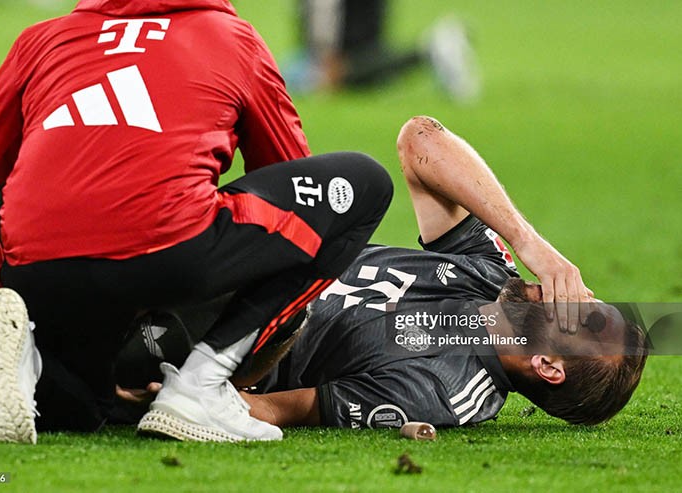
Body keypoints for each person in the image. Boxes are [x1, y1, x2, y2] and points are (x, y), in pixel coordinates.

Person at [0, 0, 393, 444]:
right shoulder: (232, 38)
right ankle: (201, 385)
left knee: (85, 406)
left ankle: (28, 355)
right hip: (169, 253)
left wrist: (7, 296)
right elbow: (291, 178)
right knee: (364, 183)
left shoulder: (42, 40)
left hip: (39, 269)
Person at [115, 116, 647, 428]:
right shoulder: (489, 273)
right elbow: (421, 139)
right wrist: (528, 240)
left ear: (548, 364)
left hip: (210, 333)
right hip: (230, 259)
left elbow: (284, 409)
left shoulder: (443, 390)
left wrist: (178, 394)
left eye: (580, 315)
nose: (570, 291)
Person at [286, 0, 481, 102]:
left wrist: (326, 55)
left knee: (321, 79)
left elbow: (323, 6)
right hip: (357, 33)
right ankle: (428, 50)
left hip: (343, 43)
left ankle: (428, 50)